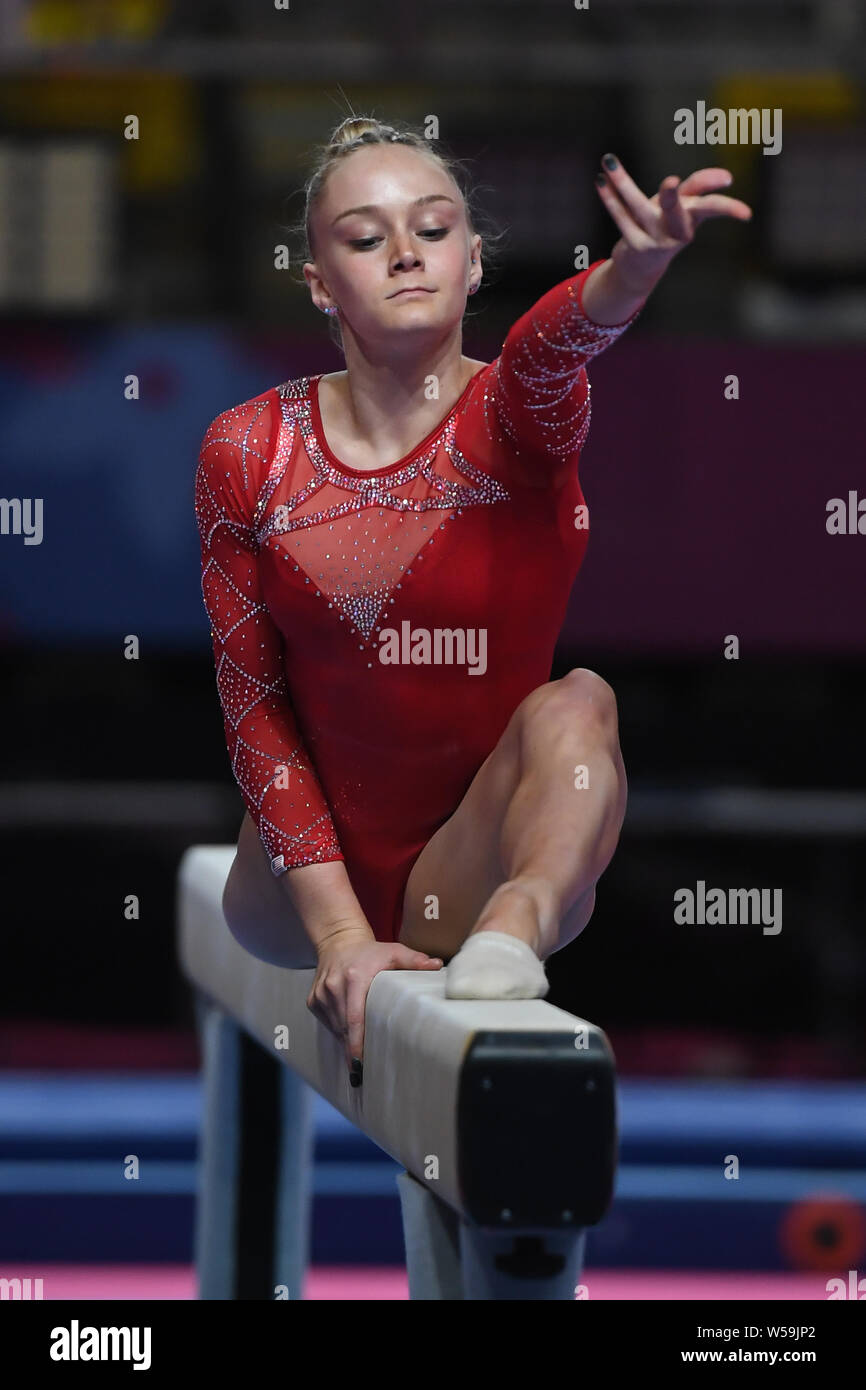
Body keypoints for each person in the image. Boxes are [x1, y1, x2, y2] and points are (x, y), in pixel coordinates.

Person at [194, 117, 752, 1080]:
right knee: (287, 746)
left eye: (435, 227)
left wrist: (634, 273)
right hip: (294, 885)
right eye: (366, 238)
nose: (406, 252)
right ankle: (414, 922)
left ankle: (513, 931)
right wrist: (337, 938)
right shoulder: (249, 450)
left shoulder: (516, 420)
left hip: (473, 859)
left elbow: (549, 347)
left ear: (475, 260)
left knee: (582, 703)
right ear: (320, 281)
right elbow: (252, 700)